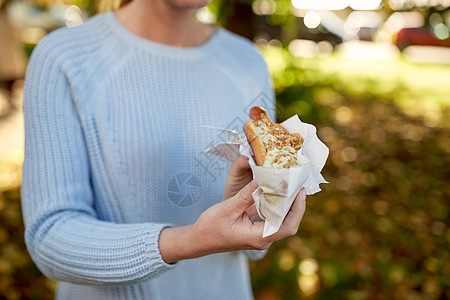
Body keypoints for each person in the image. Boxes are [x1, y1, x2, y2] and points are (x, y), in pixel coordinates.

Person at [21, 0, 307, 298]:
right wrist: (189, 241)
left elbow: (253, 248)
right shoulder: (64, 57)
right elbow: (50, 237)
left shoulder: (248, 61)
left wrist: (260, 213)